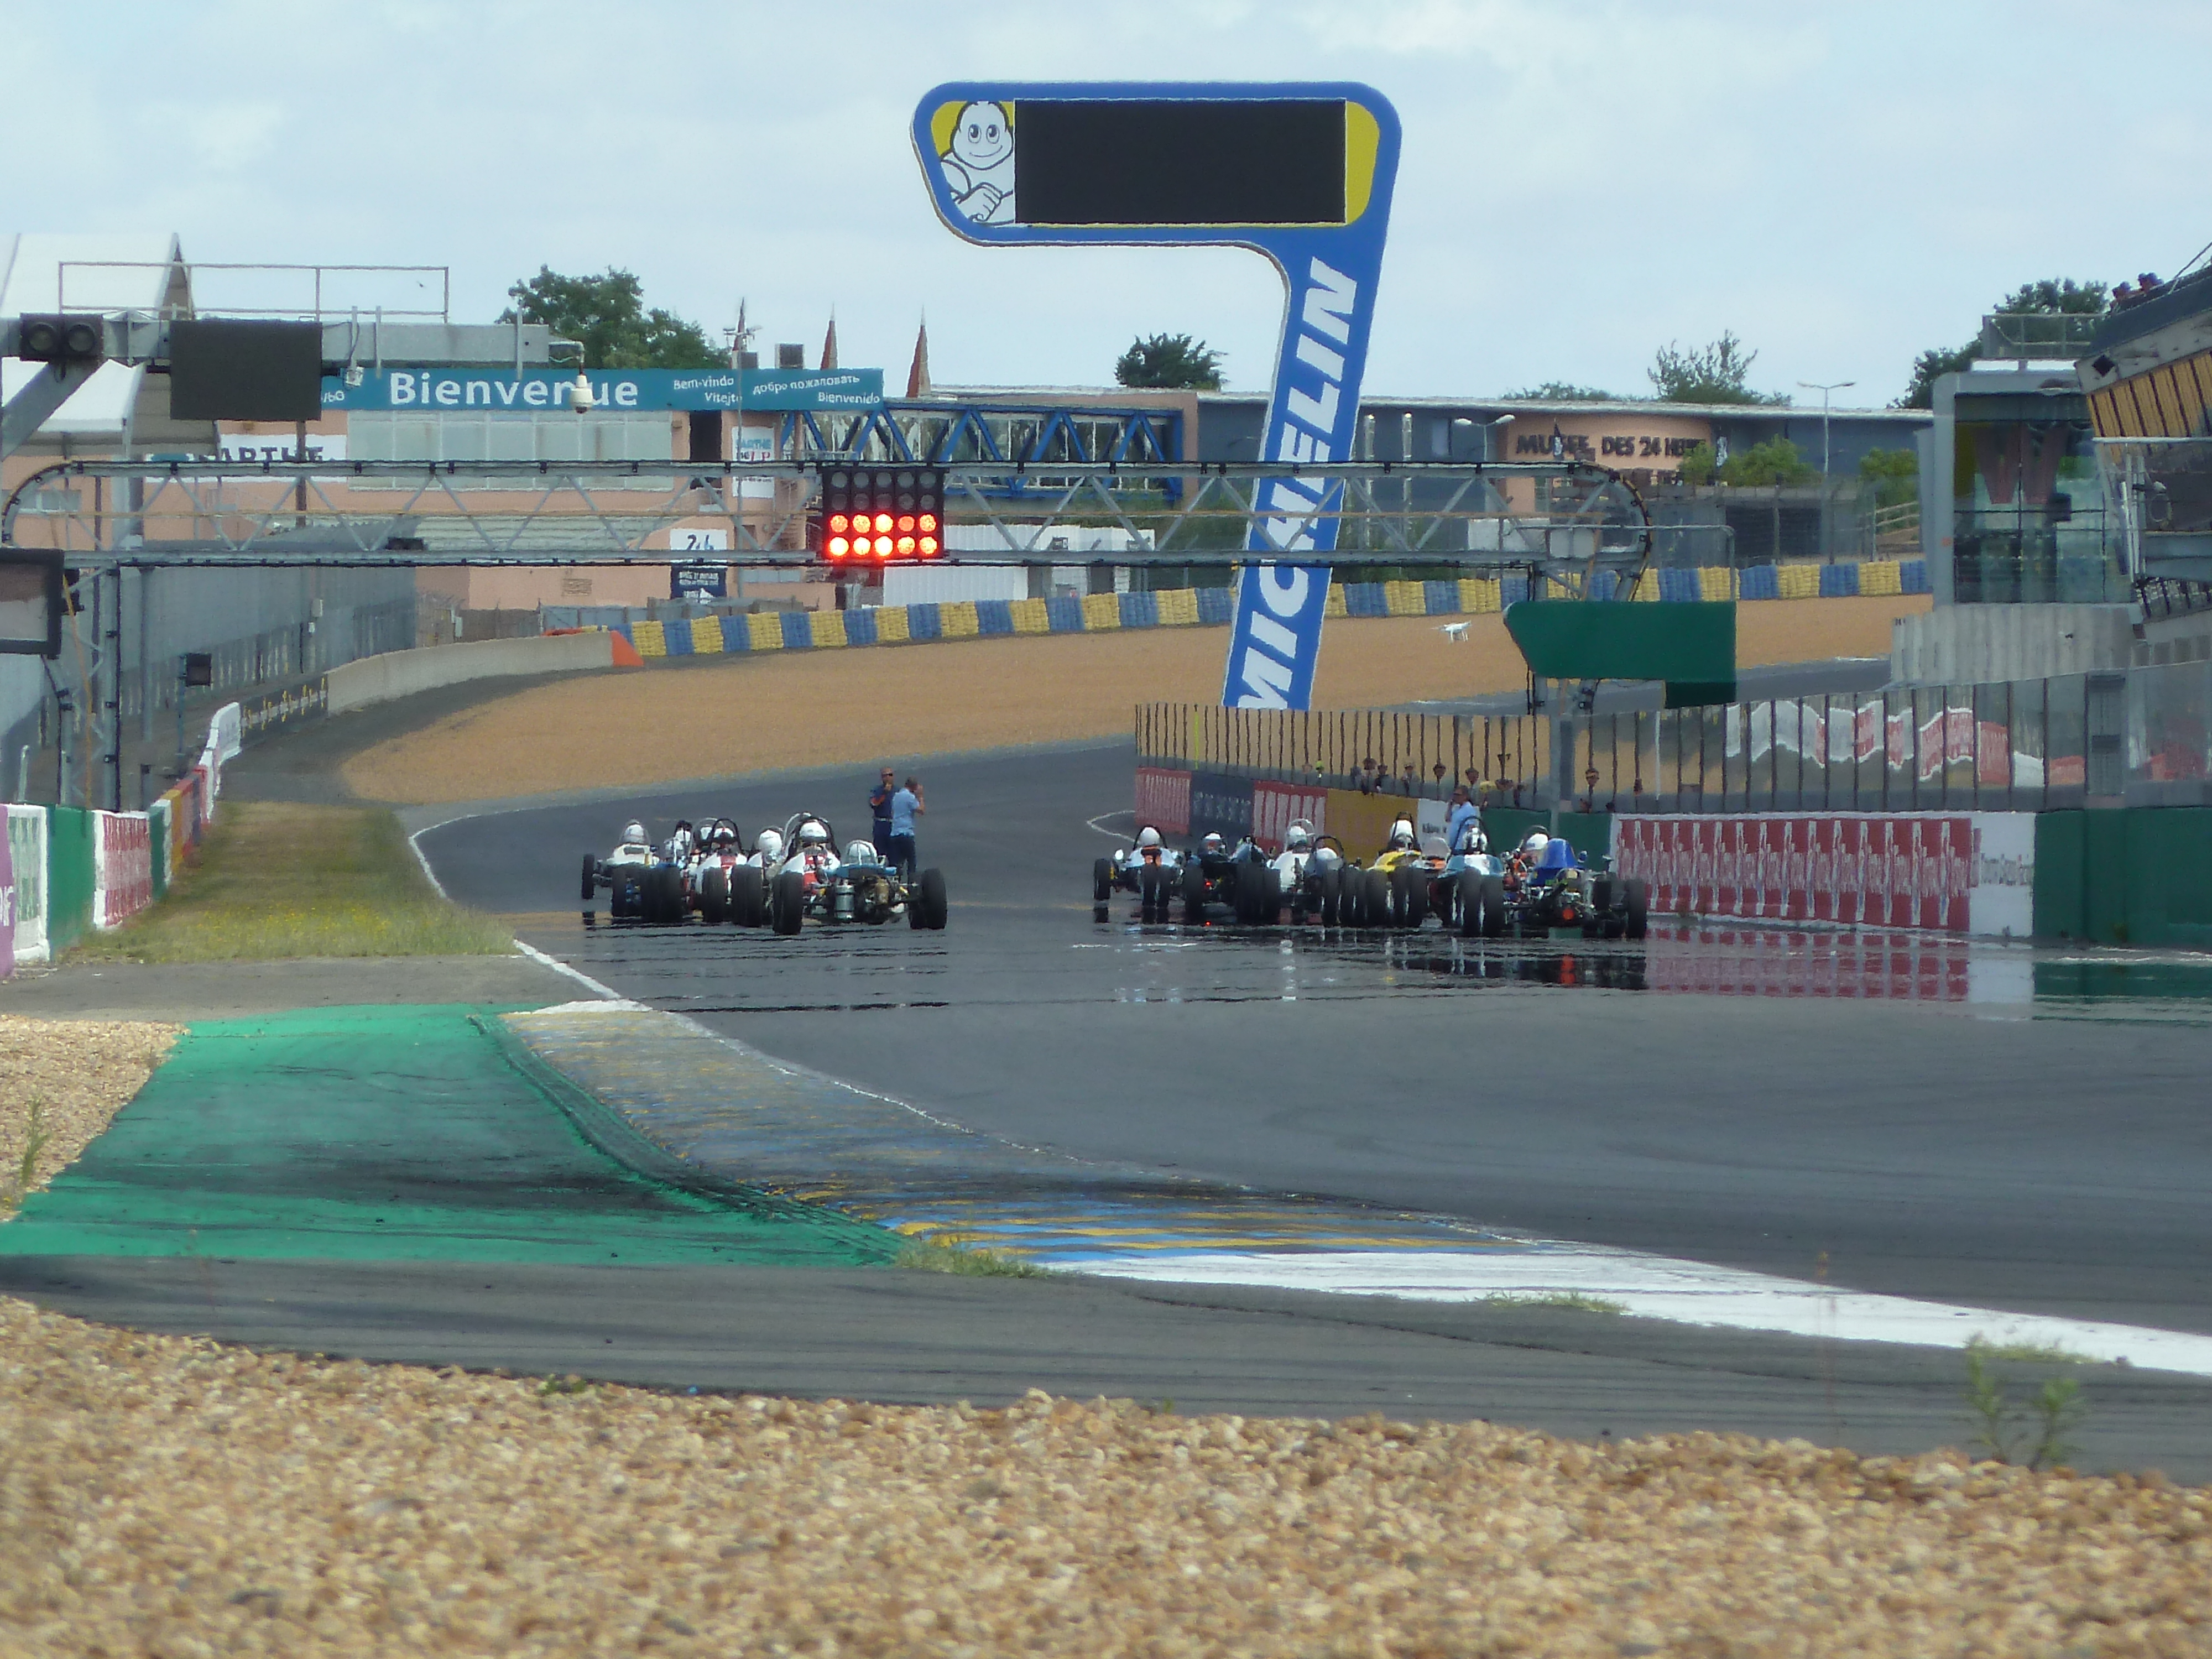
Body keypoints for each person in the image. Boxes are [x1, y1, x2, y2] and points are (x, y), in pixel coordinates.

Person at [888, 774, 924, 876]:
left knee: (897, 863)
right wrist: (920, 797)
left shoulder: (896, 796)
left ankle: (896, 882)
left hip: (895, 833)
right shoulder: (910, 797)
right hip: (906, 833)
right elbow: (921, 810)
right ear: (914, 787)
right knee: (911, 862)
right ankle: (911, 882)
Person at [1444, 787, 1480, 855]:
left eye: (1458, 795)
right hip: (1453, 845)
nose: (1456, 797)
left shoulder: (1469, 809)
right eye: (1455, 795)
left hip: (1461, 847)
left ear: (1465, 796)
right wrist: (1450, 807)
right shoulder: (1457, 809)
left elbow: (1471, 827)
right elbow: (1448, 819)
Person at [869, 768, 896, 851]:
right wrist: (884, 793)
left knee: (895, 852)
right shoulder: (876, 791)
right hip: (880, 824)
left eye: (890, 775)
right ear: (882, 778)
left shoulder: (898, 791)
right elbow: (874, 804)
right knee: (880, 851)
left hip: (894, 824)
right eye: (885, 775)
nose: (888, 777)